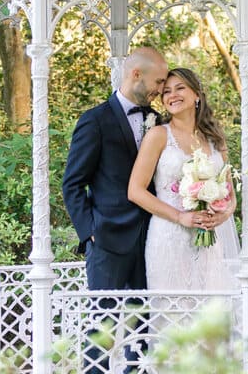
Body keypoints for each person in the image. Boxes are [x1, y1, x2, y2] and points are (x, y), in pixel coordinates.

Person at [62, 46, 168, 372]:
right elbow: (72, 183)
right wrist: (90, 232)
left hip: (152, 238)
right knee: (102, 326)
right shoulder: (94, 121)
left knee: (142, 326)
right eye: (159, 81)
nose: (161, 89)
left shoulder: (158, 122)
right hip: (107, 239)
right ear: (136, 74)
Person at [128, 67, 239, 301]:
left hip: (209, 241)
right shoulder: (158, 135)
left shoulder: (215, 138)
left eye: (180, 88)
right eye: (166, 91)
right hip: (169, 237)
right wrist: (180, 217)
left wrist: (223, 213)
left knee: (210, 316)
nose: (172, 95)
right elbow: (135, 191)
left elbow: (229, 192)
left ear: (197, 94)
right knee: (173, 315)